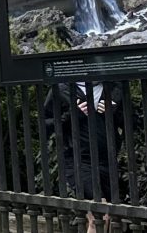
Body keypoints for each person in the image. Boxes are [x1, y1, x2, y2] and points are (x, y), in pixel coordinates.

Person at [44, 81, 126, 233]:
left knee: (107, 216)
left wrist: (115, 110)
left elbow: (133, 121)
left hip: (108, 160)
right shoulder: (62, 89)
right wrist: (71, 115)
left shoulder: (114, 88)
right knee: (99, 217)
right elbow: (46, 125)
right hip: (78, 160)